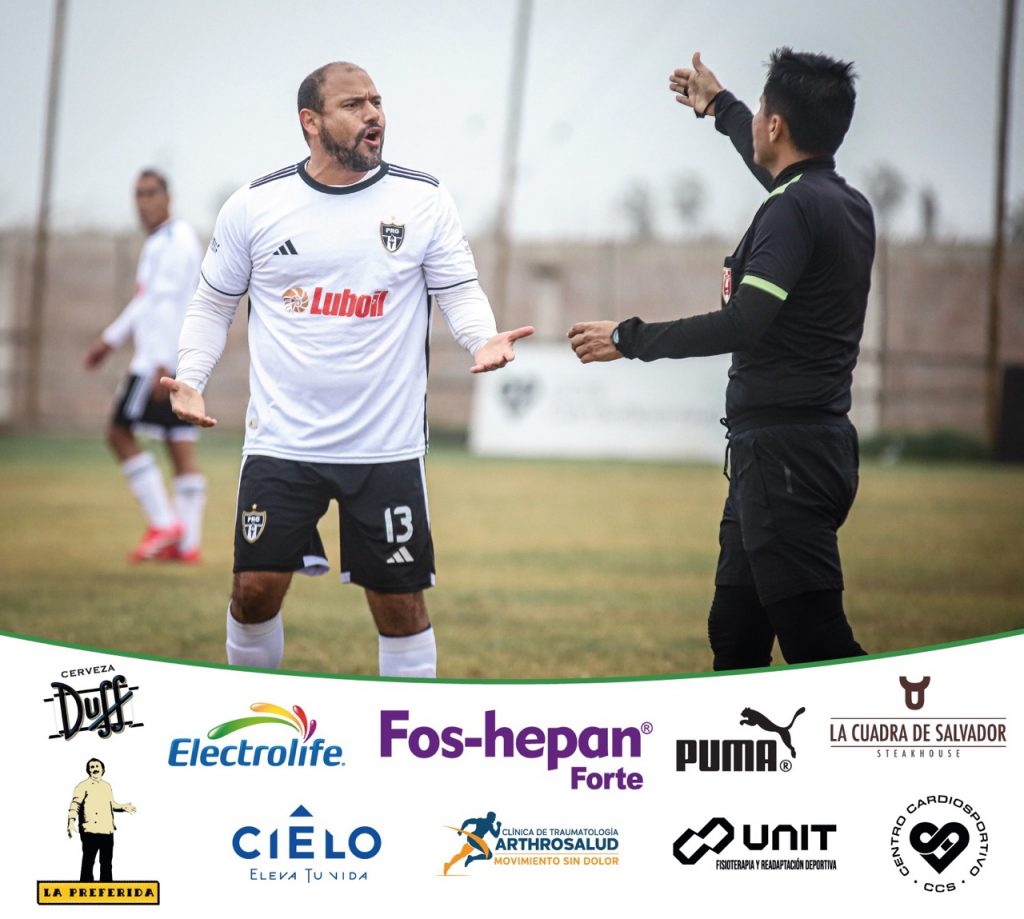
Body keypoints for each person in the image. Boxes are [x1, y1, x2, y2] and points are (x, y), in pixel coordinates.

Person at [162, 62, 533, 677]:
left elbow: (459, 290)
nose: (373, 114)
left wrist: (481, 338)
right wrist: (192, 377)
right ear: (310, 122)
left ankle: (403, 732)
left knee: (398, 604)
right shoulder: (255, 206)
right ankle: (249, 714)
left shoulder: (422, 199)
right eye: (354, 104)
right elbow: (212, 303)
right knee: (254, 589)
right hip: (282, 441)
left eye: (377, 101)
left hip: (384, 446)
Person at [568, 48, 873, 670]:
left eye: (760, 111)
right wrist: (723, 107)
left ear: (776, 126)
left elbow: (744, 323)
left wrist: (629, 338)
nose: (755, 120)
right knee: (735, 633)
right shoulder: (841, 204)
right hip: (795, 450)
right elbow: (784, 186)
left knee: (818, 643)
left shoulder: (794, 209)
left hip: (785, 458)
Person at [83, 170, 206, 563]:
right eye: (138, 194)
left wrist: (162, 363)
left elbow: (169, 306)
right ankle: (187, 546)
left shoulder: (174, 241)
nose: (143, 202)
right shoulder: (162, 241)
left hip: (159, 362)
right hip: (175, 360)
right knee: (178, 442)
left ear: (169, 197)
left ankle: (165, 526)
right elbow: (146, 302)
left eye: (151, 193)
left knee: (118, 433)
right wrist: (110, 340)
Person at [67, 758, 136, 882]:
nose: (95, 769)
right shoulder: (82, 786)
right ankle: (85, 889)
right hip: (90, 830)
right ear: (88, 770)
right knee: (88, 862)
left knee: (106, 863)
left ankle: (107, 889)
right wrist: (71, 821)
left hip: (107, 830)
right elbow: (75, 804)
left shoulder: (106, 786)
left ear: (103, 769)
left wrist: (123, 807)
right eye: (92, 767)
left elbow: (112, 804)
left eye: (97, 766)